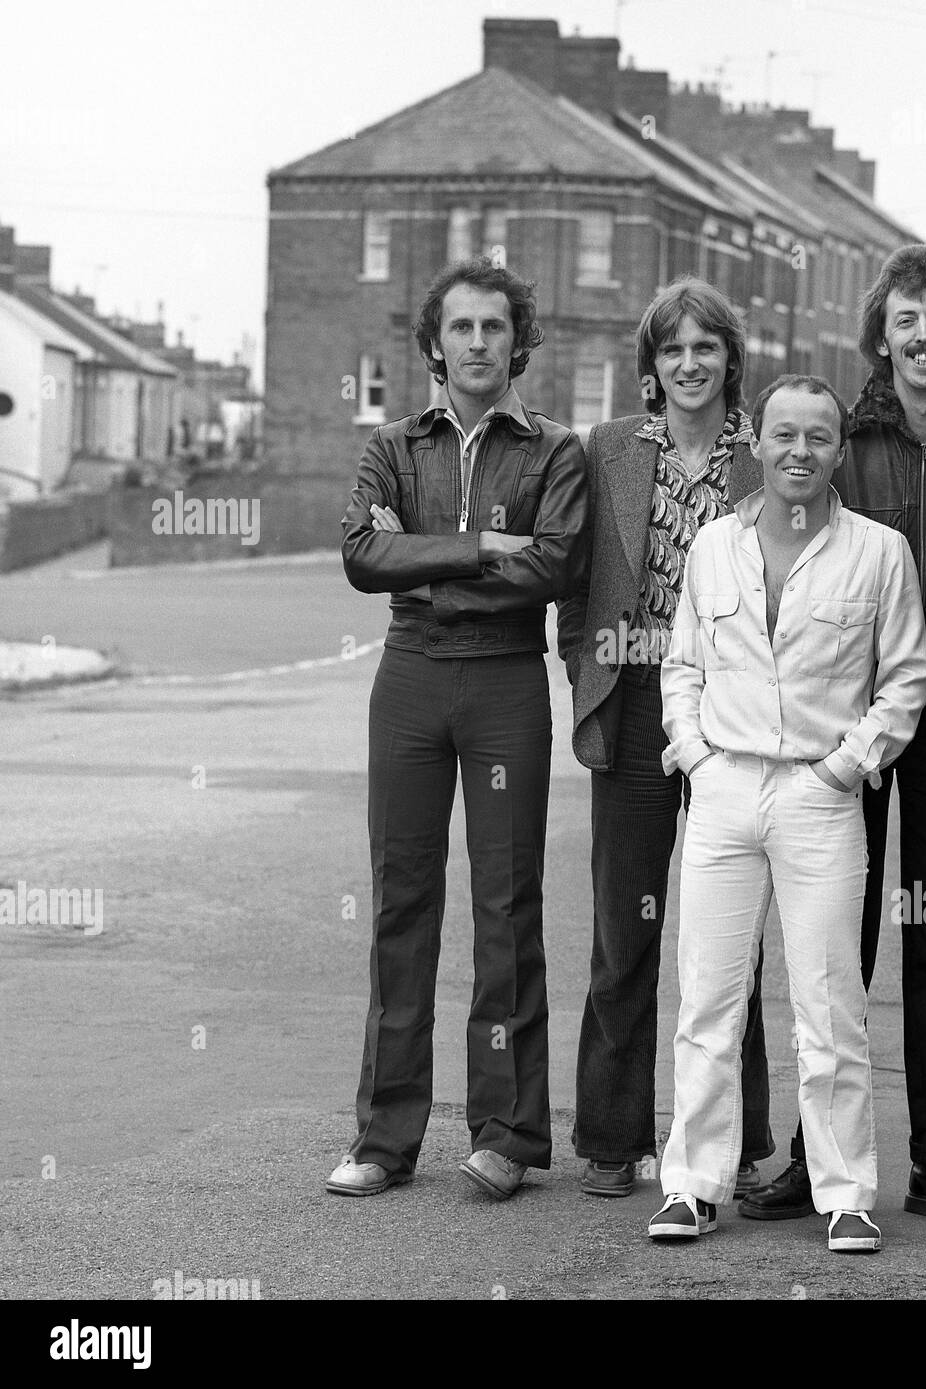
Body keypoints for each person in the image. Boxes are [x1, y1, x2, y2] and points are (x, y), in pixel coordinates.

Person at [742, 244, 926, 1226]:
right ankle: (818, 1160)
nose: (922, 335)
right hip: (845, 725)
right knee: (833, 946)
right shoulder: (842, 436)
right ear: (881, 335)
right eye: (905, 319)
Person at [648, 375, 926, 1253]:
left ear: (839, 451)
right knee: (707, 998)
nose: (798, 451)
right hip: (724, 791)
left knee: (829, 1001)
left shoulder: (879, 552)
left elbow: (906, 677)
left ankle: (846, 1192)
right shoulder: (710, 547)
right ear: (756, 444)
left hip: (820, 795)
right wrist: (694, 753)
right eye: (782, 435)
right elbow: (682, 665)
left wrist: (847, 767)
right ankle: (693, 1184)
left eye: (817, 436)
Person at [327, 255, 586, 1201]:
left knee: (508, 903)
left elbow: (552, 565)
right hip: (409, 682)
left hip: (508, 685)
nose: (478, 343)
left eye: (495, 327)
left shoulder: (554, 450)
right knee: (402, 900)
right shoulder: (394, 443)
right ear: (433, 345)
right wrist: (479, 547)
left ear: (519, 341)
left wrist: (420, 561)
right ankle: (385, 1138)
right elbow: (361, 553)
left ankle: (507, 1133)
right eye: (461, 328)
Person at [557, 277, 773, 1199]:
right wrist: (586, 668)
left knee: (732, 940)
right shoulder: (606, 448)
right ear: (653, 366)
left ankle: (738, 1141)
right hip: (638, 700)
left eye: (706, 347)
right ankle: (612, 1137)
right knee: (624, 926)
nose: (690, 364)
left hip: (733, 714)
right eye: (673, 349)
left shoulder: (763, 461)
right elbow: (572, 576)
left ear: (731, 359)